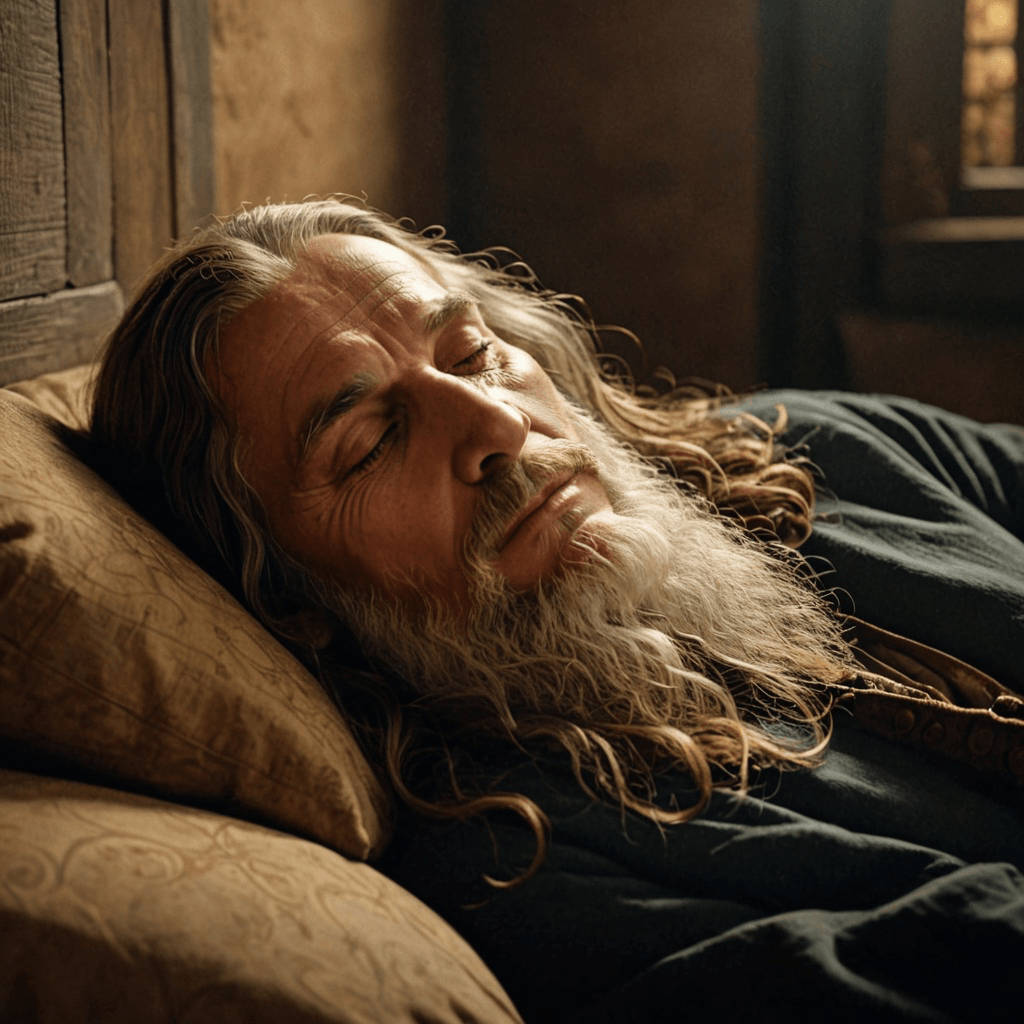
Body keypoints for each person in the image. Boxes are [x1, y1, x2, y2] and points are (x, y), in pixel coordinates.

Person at [90, 197, 1024, 1022]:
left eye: (472, 355)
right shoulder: (527, 863)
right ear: (285, 596)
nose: (498, 425)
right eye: (370, 442)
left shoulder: (817, 448)